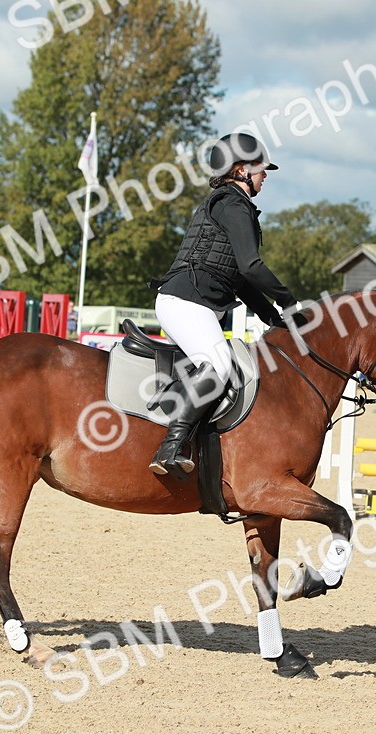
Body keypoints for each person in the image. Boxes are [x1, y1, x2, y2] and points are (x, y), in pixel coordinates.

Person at [146, 132, 301, 478]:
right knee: (218, 364)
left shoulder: (230, 204)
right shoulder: (233, 205)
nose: (266, 176)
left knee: (217, 363)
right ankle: (171, 446)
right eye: (262, 169)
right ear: (243, 169)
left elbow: (240, 277)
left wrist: (271, 315)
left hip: (190, 301)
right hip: (186, 301)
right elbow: (252, 266)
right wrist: (290, 301)